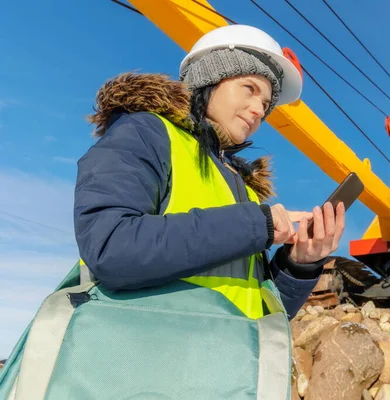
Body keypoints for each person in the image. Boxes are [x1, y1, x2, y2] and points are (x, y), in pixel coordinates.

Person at [70, 24, 345, 398]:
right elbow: (111, 247)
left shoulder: (242, 188)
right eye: (249, 89)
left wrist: (300, 263)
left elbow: (254, 308)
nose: (257, 110)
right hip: (142, 379)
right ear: (208, 79)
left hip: (224, 380)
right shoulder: (145, 133)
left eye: (265, 104)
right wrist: (259, 224)